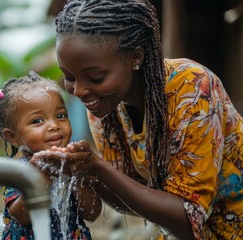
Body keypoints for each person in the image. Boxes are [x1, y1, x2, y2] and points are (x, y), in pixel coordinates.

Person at [31, 0, 243, 239]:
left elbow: (187, 220)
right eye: (69, 77)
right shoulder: (104, 108)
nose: (79, 90)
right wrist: (82, 171)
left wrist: (97, 167)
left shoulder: (192, 88)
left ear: (135, 57)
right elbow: (133, 197)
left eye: (95, 77)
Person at [0, 71, 102, 240]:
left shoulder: (73, 164)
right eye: (37, 121)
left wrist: (78, 176)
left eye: (61, 116)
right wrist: (42, 174)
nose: (54, 125)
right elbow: (21, 215)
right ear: (12, 136)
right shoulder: (17, 171)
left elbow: (92, 213)